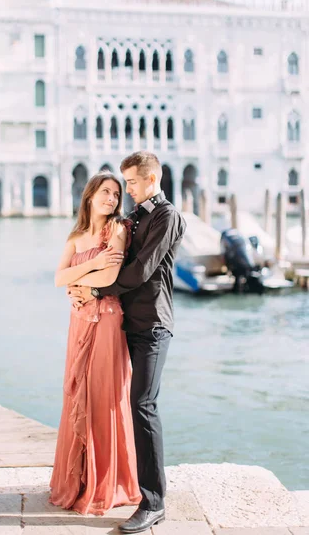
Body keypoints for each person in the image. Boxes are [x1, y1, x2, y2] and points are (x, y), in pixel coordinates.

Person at [68, 151, 186, 534]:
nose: (127, 189)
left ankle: (154, 503)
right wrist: (78, 282)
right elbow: (109, 256)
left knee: (143, 403)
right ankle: (112, 482)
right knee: (109, 400)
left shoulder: (167, 216)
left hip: (152, 324)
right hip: (121, 324)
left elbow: (139, 271)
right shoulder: (133, 217)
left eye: (132, 183)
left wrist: (94, 290)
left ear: (151, 180)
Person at [49, 171, 142, 515]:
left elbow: (110, 277)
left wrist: (88, 274)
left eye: (117, 194)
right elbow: (59, 278)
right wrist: (94, 262)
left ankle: (107, 480)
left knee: (104, 393)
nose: (112, 199)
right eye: (105, 192)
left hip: (105, 319)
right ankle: (81, 478)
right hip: (79, 320)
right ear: (90, 196)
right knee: (78, 391)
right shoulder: (76, 235)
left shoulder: (117, 229)